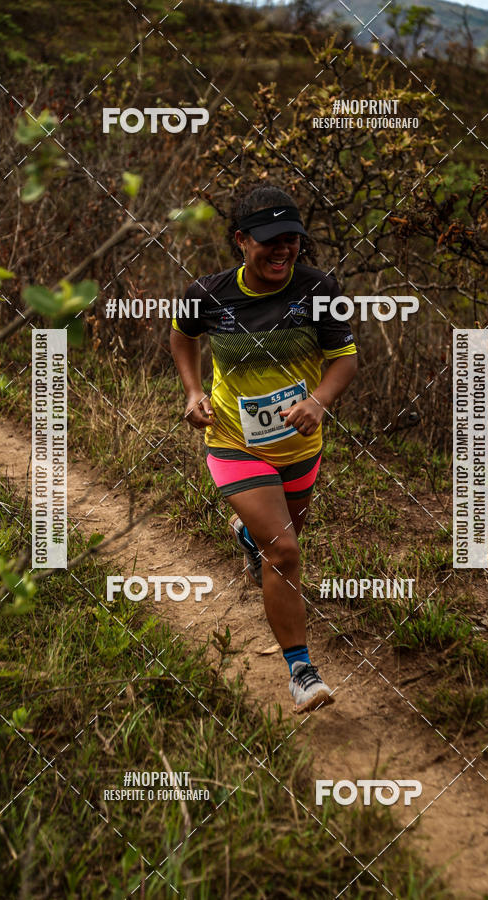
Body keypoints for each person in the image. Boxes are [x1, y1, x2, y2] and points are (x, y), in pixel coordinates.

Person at [170, 183, 358, 713]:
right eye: (271, 240)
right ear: (241, 241)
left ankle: (246, 536)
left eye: (292, 239)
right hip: (234, 440)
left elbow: (344, 360)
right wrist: (192, 391)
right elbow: (182, 336)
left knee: (283, 537)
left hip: (300, 443)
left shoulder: (319, 288)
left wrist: (319, 400)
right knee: (286, 552)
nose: (283, 250)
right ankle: (302, 670)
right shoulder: (208, 294)